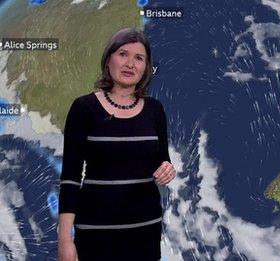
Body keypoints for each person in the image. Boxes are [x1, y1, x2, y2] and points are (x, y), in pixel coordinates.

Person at [57, 27, 176, 261]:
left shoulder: (155, 110)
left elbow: (162, 160)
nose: (130, 63)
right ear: (108, 59)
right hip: (95, 233)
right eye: (123, 54)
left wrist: (168, 168)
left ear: (145, 68)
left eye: (139, 58)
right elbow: (70, 178)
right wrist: (64, 241)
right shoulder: (84, 109)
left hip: (145, 231)